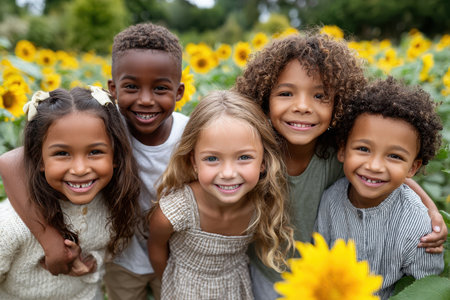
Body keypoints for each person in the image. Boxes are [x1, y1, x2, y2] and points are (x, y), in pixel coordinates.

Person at [234, 32, 447, 299]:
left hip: (329, 281)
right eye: (286, 93)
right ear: (264, 98)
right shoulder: (252, 152)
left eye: (320, 96)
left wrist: (431, 211)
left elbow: (387, 172)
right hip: (266, 276)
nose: (302, 106)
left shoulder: (335, 154)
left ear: (339, 103)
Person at [0, 23, 187, 300]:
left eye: (160, 88)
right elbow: (13, 160)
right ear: (113, 88)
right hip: (125, 262)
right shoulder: (104, 126)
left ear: (180, 92)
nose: (145, 100)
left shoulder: (191, 134)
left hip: (177, 255)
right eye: (132, 87)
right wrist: (51, 242)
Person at [147, 90, 294, 299]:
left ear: (263, 162)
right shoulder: (176, 211)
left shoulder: (261, 204)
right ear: (193, 162)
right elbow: (156, 249)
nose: (227, 173)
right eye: (212, 159)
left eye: (244, 157)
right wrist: (170, 284)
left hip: (234, 289)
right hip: (184, 290)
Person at [0, 86, 140, 299]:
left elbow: (109, 251)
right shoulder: (10, 226)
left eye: (95, 152)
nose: (80, 169)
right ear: (39, 160)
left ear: (116, 156)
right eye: (62, 153)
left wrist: (87, 264)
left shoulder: (115, 204)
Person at [316, 77, 444, 299]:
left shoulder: (419, 227)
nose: (374, 166)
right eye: (363, 149)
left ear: (412, 167)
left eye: (394, 156)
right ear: (343, 150)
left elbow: (425, 290)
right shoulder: (329, 200)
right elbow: (319, 261)